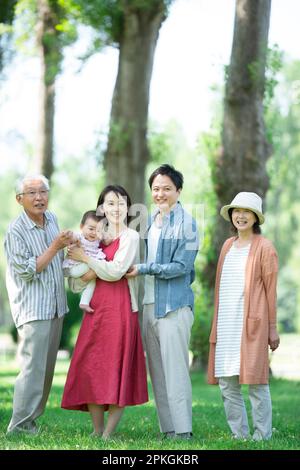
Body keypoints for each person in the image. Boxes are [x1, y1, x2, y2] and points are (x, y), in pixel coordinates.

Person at [61, 185, 148, 439]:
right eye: (110, 203)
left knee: (117, 367)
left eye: (121, 202)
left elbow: (115, 271)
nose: (116, 208)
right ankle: (96, 430)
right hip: (95, 308)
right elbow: (76, 282)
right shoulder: (93, 237)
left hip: (120, 309)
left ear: (128, 207)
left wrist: (87, 261)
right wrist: (81, 262)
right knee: (92, 365)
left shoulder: (131, 237)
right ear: (102, 208)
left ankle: (108, 433)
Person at [126, 164, 199, 440]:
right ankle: (168, 429)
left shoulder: (188, 224)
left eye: (167, 188)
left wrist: (145, 268)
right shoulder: (149, 222)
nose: (160, 194)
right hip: (148, 306)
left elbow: (181, 266)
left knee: (175, 371)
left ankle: (184, 431)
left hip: (173, 308)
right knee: (157, 372)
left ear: (178, 191)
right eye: (156, 189)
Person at [207, 192, 280, 441]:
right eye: (236, 211)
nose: (240, 216)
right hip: (227, 324)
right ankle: (240, 435)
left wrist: (272, 327)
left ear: (255, 217)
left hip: (252, 326)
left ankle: (263, 435)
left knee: (257, 383)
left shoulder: (265, 247)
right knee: (228, 384)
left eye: (246, 212)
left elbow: (271, 293)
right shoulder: (227, 246)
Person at [4, 174, 72, 434]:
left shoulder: (52, 219)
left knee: (45, 372)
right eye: (31, 193)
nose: (39, 197)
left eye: (43, 191)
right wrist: (56, 246)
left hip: (56, 305)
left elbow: (57, 258)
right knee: (32, 370)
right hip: (33, 310)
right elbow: (27, 271)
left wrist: (69, 243)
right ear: (19, 199)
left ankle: (31, 421)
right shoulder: (16, 231)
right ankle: (19, 426)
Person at [63, 210, 106, 313]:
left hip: (86, 266)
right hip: (74, 267)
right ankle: (67, 272)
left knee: (92, 282)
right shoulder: (79, 237)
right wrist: (71, 237)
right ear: (82, 227)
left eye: (98, 230)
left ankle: (84, 302)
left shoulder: (97, 241)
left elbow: (107, 239)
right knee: (94, 266)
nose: (94, 233)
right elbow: (71, 237)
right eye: (91, 229)